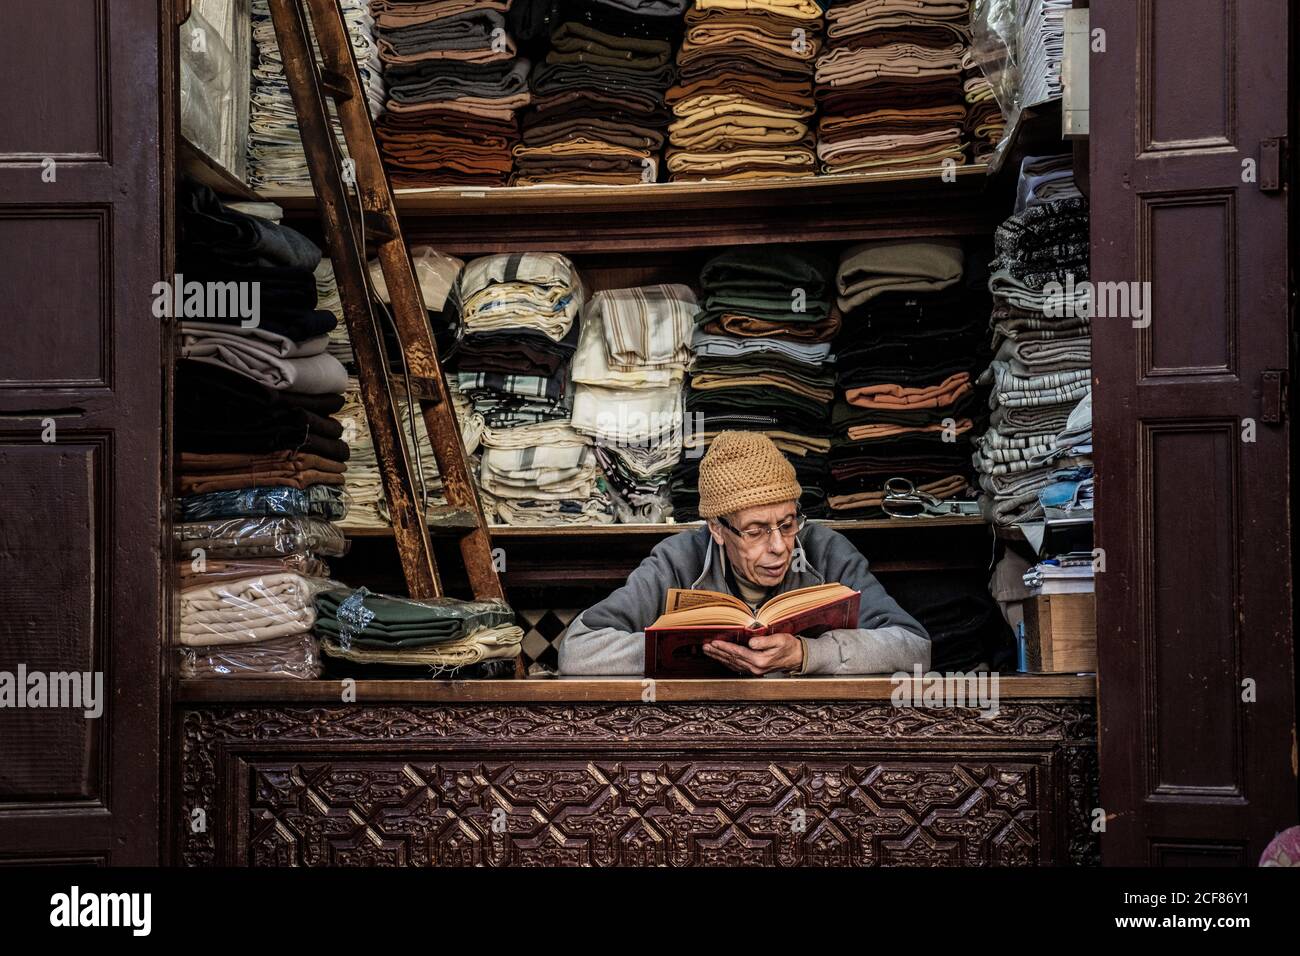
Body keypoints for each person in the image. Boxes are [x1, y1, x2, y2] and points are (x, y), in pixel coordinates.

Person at [558, 430, 930, 675]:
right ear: (718, 529)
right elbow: (577, 650)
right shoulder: (677, 559)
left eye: (787, 524)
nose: (780, 546)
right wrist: (685, 649)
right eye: (755, 531)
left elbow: (915, 649)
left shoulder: (824, 549)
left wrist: (808, 654)